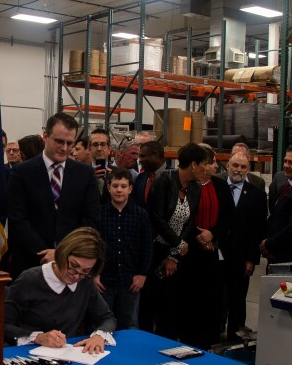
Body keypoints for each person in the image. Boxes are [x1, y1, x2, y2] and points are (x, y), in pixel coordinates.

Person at [6, 112, 100, 279]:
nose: (64, 148)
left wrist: (63, 253)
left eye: (69, 143)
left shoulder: (85, 174)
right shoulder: (21, 172)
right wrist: (46, 254)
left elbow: (90, 220)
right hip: (30, 264)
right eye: (59, 141)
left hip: (72, 266)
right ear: (45, 136)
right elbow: (18, 219)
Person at [4, 227, 115, 353]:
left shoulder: (85, 282)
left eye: (85, 271)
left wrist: (99, 335)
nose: (77, 276)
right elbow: (2, 325)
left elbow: (107, 318)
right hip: (25, 354)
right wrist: (37, 337)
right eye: (73, 266)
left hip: (67, 355)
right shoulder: (30, 280)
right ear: (63, 254)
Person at [139, 143, 208, 339]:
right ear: (193, 164)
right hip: (154, 250)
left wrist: (174, 255)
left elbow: (189, 222)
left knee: (170, 304)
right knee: (149, 302)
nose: (206, 168)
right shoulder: (164, 180)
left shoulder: (195, 188)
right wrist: (177, 244)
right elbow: (157, 218)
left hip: (176, 253)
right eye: (204, 163)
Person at [178, 145, 234, 350]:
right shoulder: (188, 186)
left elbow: (229, 216)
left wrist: (212, 234)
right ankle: (188, 339)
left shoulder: (220, 186)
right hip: (190, 250)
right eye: (210, 162)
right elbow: (183, 217)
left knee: (212, 298)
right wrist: (199, 236)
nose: (214, 166)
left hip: (213, 250)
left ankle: (210, 340)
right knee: (189, 298)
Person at [95, 168, 152, 329]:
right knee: (100, 325)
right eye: (115, 186)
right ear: (108, 187)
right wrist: (94, 274)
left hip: (130, 281)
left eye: (123, 186)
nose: (119, 190)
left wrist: (142, 274)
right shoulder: (99, 214)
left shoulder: (140, 215)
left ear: (130, 189)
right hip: (104, 280)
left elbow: (147, 246)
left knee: (129, 325)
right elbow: (92, 246)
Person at [219, 151, 267, 342]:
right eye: (235, 165)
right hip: (217, 254)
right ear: (228, 166)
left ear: (248, 170)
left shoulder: (257, 195)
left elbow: (258, 229)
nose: (238, 170)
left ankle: (234, 339)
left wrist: (251, 259)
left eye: (243, 167)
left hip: (241, 257)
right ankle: (214, 334)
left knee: (238, 299)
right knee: (215, 297)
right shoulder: (217, 188)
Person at [133, 141, 166, 209]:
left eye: (143, 156)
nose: (140, 160)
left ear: (156, 155)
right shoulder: (140, 178)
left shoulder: (174, 177)